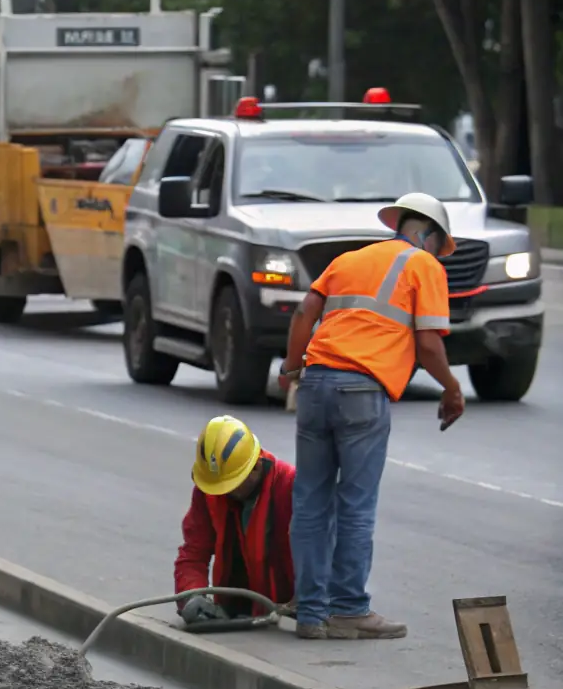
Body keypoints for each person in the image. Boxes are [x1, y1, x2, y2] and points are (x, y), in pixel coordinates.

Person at [279, 192, 464, 641]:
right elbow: (428, 345)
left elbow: (305, 312)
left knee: (310, 500)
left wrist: (290, 369)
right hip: (363, 389)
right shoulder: (426, 266)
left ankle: (309, 612)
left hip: (317, 383)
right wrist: (452, 387)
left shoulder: (350, 260)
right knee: (356, 504)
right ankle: (348, 610)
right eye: (441, 245)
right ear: (431, 235)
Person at [175, 415, 295, 625]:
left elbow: (324, 558)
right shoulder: (211, 488)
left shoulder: (289, 487)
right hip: (233, 613)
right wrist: (191, 596)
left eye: (231, 484)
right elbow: (194, 552)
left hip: (285, 617)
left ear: (255, 467)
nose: (224, 493)